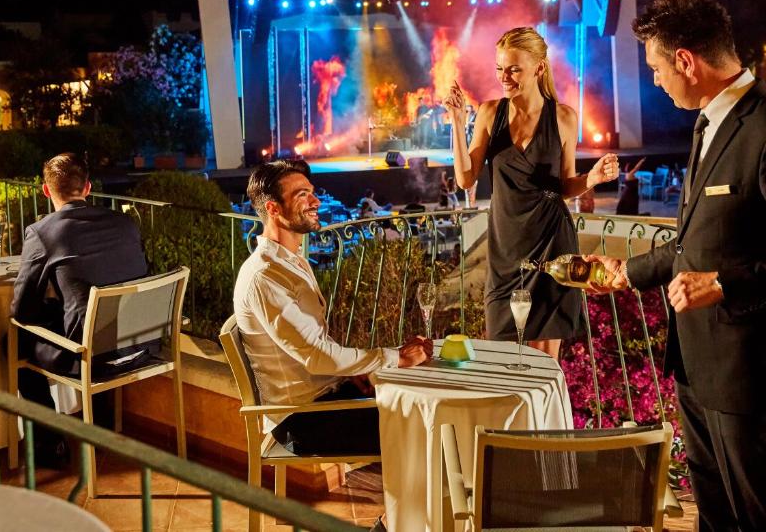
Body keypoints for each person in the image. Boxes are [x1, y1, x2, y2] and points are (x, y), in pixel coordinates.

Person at [585, 0, 766, 531]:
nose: (657, 81)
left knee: (765, 522)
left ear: (687, 61)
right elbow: (701, 241)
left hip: (751, 376)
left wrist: (727, 285)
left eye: (658, 68)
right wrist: (627, 272)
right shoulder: (709, 121)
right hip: (697, 366)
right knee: (715, 520)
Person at [234, 160, 431, 459]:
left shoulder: (290, 261)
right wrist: (396, 357)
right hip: (302, 419)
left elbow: (311, 350)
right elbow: (316, 356)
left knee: (418, 398)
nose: (315, 201)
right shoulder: (266, 277)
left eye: (312, 192)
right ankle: (410, 506)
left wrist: (357, 370)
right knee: (424, 421)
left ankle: (409, 505)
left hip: (324, 397)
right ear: (273, 209)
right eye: (302, 195)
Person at [444, 27, 619, 359]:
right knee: (501, 353)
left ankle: (544, 413)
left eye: (513, 68)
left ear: (539, 68)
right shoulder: (490, 113)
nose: (504, 77)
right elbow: (466, 179)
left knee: (545, 361)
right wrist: (456, 121)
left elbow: (564, 186)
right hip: (506, 249)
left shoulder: (564, 117)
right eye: (499, 68)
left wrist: (592, 178)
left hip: (552, 245)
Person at [11, 153, 148, 466]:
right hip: (142, 346)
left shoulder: (44, 232)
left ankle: (50, 443)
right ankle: (100, 430)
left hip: (91, 358)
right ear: (87, 187)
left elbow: (21, 312)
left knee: (15, 342)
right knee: (96, 322)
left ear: (46, 191)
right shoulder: (125, 223)